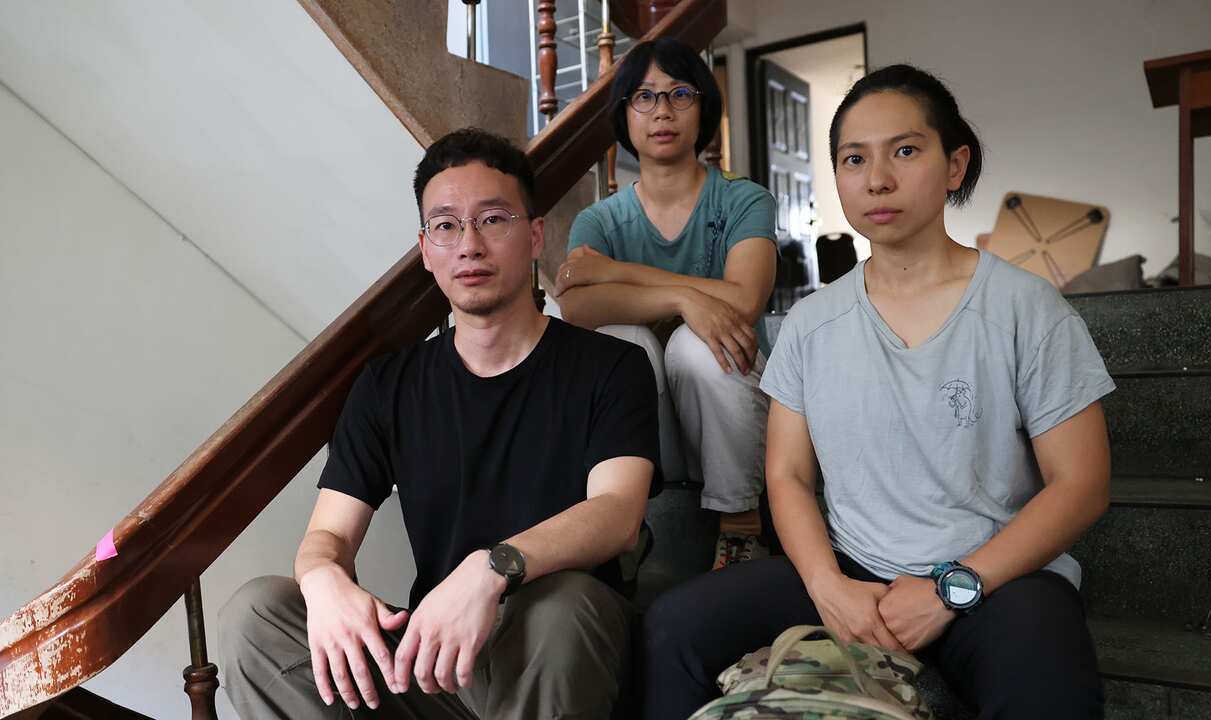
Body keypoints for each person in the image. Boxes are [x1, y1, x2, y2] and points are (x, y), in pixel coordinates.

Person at [641, 64, 1114, 719]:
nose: (878, 178)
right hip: (853, 568)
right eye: (854, 158)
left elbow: (1081, 485)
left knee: (1046, 685)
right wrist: (826, 585)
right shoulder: (810, 322)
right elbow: (786, 475)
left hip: (997, 580)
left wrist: (952, 588)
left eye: (907, 151)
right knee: (672, 626)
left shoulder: (1025, 309)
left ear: (955, 165)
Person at [219, 128, 659, 719]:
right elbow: (330, 535)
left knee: (565, 605)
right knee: (256, 613)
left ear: (534, 237)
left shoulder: (610, 366)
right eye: (447, 226)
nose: (469, 245)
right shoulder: (388, 386)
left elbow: (617, 515)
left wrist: (492, 568)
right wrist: (323, 580)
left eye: (492, 220)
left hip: (553, 648)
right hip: (432, 661)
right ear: (427, 250)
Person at [555, 38, 777, 570]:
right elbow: (577, 310)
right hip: (643, 416)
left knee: (694, 344)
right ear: (624, 115)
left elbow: (744, 300)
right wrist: (684, 294)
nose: (662, 111)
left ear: (704, 110)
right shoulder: (599, 221)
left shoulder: (744, 199)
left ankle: (740, 525)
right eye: (644, 97)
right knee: (622, 342)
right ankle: (625, 523)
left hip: (731, 402)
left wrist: (617, 274)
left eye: (680, 94)